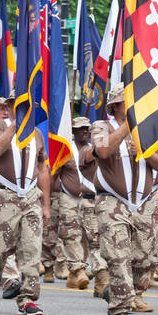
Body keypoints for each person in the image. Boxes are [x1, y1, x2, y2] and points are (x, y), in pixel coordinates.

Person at [93, 86, 158, 315]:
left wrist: (146, 152)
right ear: (115, 106)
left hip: (145, 203)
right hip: (113, 202)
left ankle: (127, 294)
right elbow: (104, 150)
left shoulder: (149, 130)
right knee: (118, 258)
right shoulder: (100, 127)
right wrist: (129, 126)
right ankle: (119, 312)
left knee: (143, 259)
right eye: (126, 103)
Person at [0, 94, 50, 315]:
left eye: (28, 105)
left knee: (32, 248)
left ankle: (27, 298)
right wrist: (16, 125)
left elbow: (42, 169)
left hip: (31, 197)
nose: (24, 108)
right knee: (0, 250)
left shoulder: (38, 134)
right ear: (9, 107)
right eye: (18, 105)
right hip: (4, 197)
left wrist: (46, 204)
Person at [52, 115, 98, 292]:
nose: (84, 131)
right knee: (71, 235)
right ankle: (78, 270)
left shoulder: (94, 150)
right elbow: (54, 174)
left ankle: (78, 274)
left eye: (87, 128)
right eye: (80, 128)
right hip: (68, 198)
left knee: (92, 237)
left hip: (89, 199)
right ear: (72, 131)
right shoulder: (65, 149)